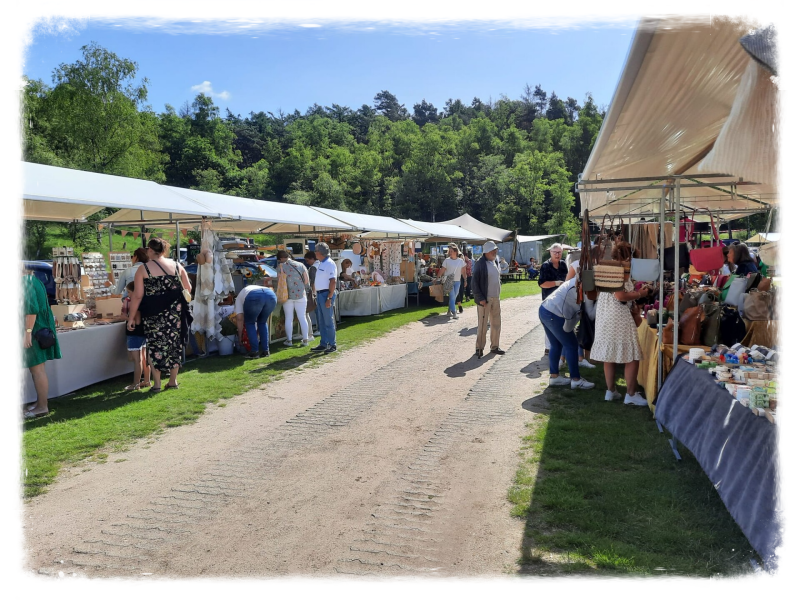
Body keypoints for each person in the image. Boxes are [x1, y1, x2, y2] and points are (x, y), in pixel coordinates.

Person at [126, 238, 193, 392]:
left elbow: (137, 296)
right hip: (174, 314)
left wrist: (131, 317)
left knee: (154, 347)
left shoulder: (143, 269)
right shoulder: (177, 265)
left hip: (153, 315)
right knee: (174, 345)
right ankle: (173, 381)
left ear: (150, 250)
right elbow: (188, 288)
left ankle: (157, 384)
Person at [590, 245, 649, 406]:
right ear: (629, 257)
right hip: (618, 317)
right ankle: (631, 394)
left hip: (605, 315)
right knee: (632, 357)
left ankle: (611, 391)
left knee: (610, 356)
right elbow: (620, 296)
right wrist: (640, 293)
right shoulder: (619, 271)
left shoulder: (607, 269)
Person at [538, 275, 595, 390]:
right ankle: (576, 380)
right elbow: (591, 314)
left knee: (556, 345)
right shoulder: (588, 287)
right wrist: (601, 303)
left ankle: (554, 377)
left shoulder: (577, 280)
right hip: (554, 313)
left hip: (545, 309)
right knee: (572, 345)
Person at [22, 268, 61, 418]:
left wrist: (27, 333)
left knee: (37, 371)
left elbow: (31, 310)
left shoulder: (24, 282)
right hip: (39, 331)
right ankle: (40, 404)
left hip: (35, 332)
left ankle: (42, 407)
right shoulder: (33, 280)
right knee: (38, 370)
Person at [472, 241, 505, 358]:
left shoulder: (494, 261)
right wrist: (480, 298)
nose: (495, 252)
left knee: (496, 323)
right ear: (486, 252)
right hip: (485, 299)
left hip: (496, 297)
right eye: (493, 250)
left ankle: (495, 346)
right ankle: (479, 348)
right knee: (483, 325)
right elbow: (474, 283)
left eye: (495, 250)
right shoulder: (480, 264)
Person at [538, 244, 568, 355]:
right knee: (549, 323)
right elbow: (542, 283)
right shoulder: (546, 266)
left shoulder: (563, 264)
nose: (557, 254)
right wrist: (556, 283)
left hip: (562, 299)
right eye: (555, 252)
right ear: (550, 252)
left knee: (561, 323)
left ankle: (561, 346)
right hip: (549, 300)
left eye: (559, 252)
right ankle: (548, 347)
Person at [276, 249, 311, 347]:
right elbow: (306, 280)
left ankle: (289, 340)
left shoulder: (280, 267)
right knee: (302, 317)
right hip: (301, 294)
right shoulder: (301, 265)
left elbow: (279, 281)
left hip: (287, 295)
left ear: (281, 258)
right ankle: (305, 340)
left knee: (289, 318)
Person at [233, 284, 277, 358]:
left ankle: (254, 352)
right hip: (271, 295)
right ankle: (266, 351)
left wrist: (240, 337)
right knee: (262, 322)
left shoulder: (238, 299)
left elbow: (239, 319)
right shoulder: (247, 290)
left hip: (254, 296)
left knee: (250, 323)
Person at [122, 281, 151, 390]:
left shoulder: (132, 302)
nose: (128, 294)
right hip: (143, 331)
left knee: (137, 360)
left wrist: (130, 319)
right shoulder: (145, 300)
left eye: (129, 292)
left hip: (134, 332)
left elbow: (137, 320)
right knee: (144, 358)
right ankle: (147, 381)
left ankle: (136, 383)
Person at [312, 242, 338, 354]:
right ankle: (324, 343)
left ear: (319, 252)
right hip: (320, 294)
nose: (315, 253)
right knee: (321, 321)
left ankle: (332, 344)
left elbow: (333, 281)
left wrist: (329, 298)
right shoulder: (321, 263)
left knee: (328, 321)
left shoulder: (329, 264)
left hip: (326, 294)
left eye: (316, 251)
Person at [439, 244, 466, 319]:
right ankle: (454, 312)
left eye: (451, 251)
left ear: (455, 252)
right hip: (449, 281)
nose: (450, 253)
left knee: (453, 297)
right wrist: (437, 277)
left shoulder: (461, 261)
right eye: (449, 251)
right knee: (452, 296)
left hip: (457, 281)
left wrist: (465, 280)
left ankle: (449, 311)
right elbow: (442, 270)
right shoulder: (447, 260)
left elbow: (464, 272)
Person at [303, 251, 319, 338]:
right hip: (322, 289)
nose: (307, 262)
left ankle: (319, 328)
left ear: (312, 259)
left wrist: (313, 292)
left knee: (318, 312)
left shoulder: (313, 268)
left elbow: (313, 282)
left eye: (307, 260)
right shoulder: (320, 264)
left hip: (316, 291)